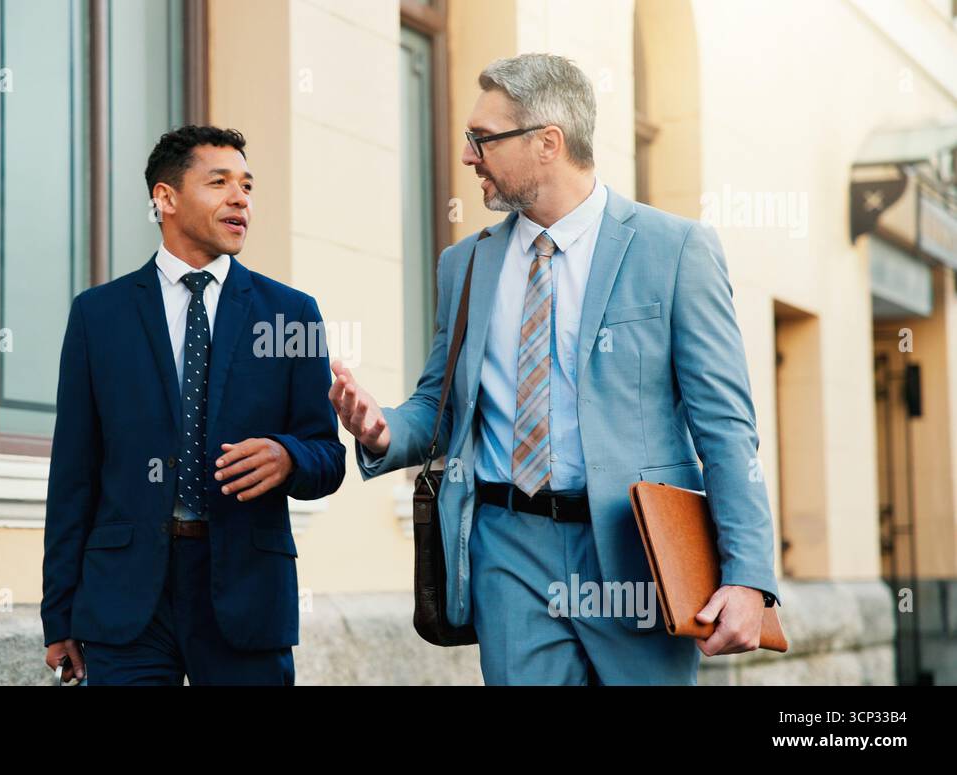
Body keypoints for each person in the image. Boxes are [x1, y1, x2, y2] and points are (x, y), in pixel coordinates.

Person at [330, 54, 780, 685]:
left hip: (640, 555)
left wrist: (746, 575)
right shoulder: (465, 265)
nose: (468, 156)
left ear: (548, 143)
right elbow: (441, 404)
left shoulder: (675, 250)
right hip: (508, 549)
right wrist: (381, 429)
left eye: (483, 139)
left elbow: (727, 427)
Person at [42, 125, 345, 685]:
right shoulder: (98, 316)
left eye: (247, 186)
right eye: (220, 182)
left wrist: (288, 456)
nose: (240, 198)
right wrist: (58, 613)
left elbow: (328, 456)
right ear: (166, 198)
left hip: (246, 595)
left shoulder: (291, 313)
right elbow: (73, 476)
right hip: (127, 603)